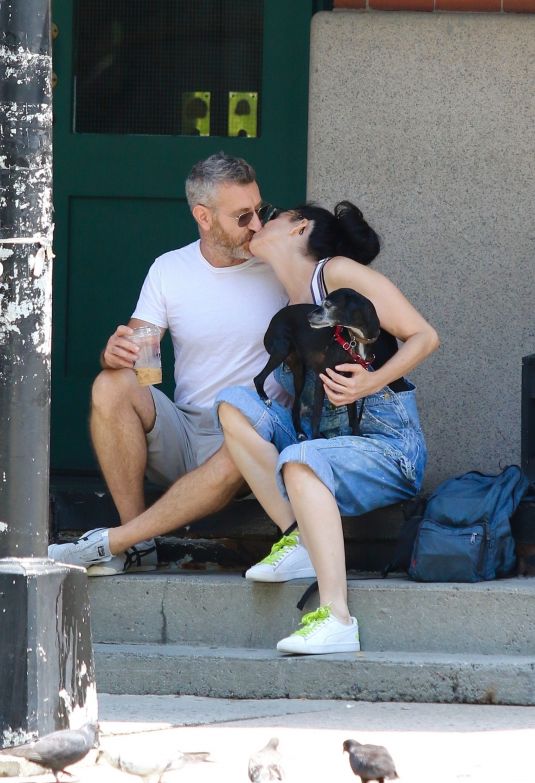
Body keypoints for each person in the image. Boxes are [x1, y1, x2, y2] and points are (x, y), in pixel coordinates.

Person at [215, 201, 439, 655]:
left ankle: (337, 618)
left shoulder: (336, 273)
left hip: (385, 445)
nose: (259, 221)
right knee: (234, 405)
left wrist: (370, 381)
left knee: (300, 458)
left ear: (300, 227)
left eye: (270, 213)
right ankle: (297, 538)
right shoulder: (290, 303)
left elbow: (424, 335)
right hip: (319, 444)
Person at [48, 152, 288, 575]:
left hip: (253, 435)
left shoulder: (278, 267)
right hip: (187, 430)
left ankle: (124, 541)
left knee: (247, 441)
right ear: (204, 216)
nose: (256, 224)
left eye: (260, 210)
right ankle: (136, 539)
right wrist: (114, 355)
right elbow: (145, 369)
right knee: (111, 384)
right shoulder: (170, 269)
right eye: (243, 215)